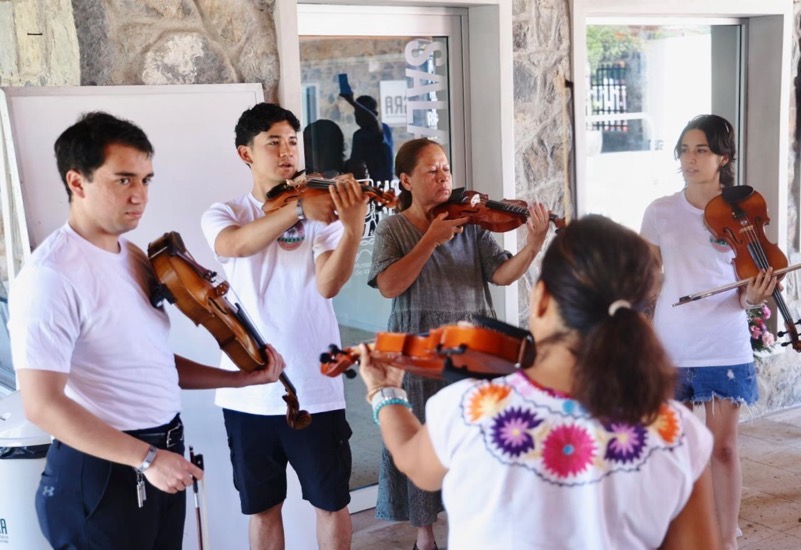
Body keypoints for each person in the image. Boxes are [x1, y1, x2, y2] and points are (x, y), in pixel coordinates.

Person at [8, 111, 285, 549]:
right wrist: (147, 458)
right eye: (123, 180)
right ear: (77, 182)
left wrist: (240, 377)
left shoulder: (133, 255)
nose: (139, 195)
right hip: (104, 472)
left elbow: (150, 359)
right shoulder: (51, 277)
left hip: (158, 457)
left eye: (146, 180)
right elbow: (42, 405)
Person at [359, 214, 720, 549]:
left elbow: (415, 464)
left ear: (542, 299)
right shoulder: (677, 433)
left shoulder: (472, 408)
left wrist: (384, 392)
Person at [366, 137, 550, 550]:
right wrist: (430, 239)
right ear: (406, 180)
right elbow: (389, 286)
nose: (443, 176)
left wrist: (533, 245)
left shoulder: (471, 224)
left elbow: (502, 275)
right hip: (417, 348)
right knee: (423, 436)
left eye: (445, 168)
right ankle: (425, 536)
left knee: (477, 435)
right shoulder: (394, 228)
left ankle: (474, 526)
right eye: (431, 171)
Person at [200, 102, 367, 550]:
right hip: (249, 392)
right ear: (245, 153)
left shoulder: (321, 215)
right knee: (263, 508)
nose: (287, 150)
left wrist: (351, 230)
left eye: (293, 141)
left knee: (331, 503)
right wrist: (298, 211)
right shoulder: (227, 212)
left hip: (316, 386)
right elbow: (234, 246)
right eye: (273, 141)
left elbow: (330, 284)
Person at [640, 114, 777, 549]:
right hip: (671, 345)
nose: (690, 158)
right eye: (684, 149)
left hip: (723, 345)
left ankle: (725, 539)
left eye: (701, 150)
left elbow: (745, 291)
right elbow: (649, 281)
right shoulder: (660, 211)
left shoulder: (744, 212)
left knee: (722, 449)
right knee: (674, 451)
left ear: (724, 157)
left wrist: (753, 298)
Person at [340, 93, 394, 182]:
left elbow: (374, 123)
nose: (358, 115)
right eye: (356, 112)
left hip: (382, 187)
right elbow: (355, 163)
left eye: (362, 112)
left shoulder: (384, 129)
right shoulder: (358, 135)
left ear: (375, 114)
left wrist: (352, 102)